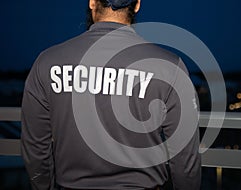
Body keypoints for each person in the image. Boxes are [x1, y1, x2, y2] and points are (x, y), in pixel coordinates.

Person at [21, 0, 201, 189]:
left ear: (92, 2)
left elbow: (35, 146)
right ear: (137, 4)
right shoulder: (169, 67)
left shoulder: (48, 62)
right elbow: (185, 159)